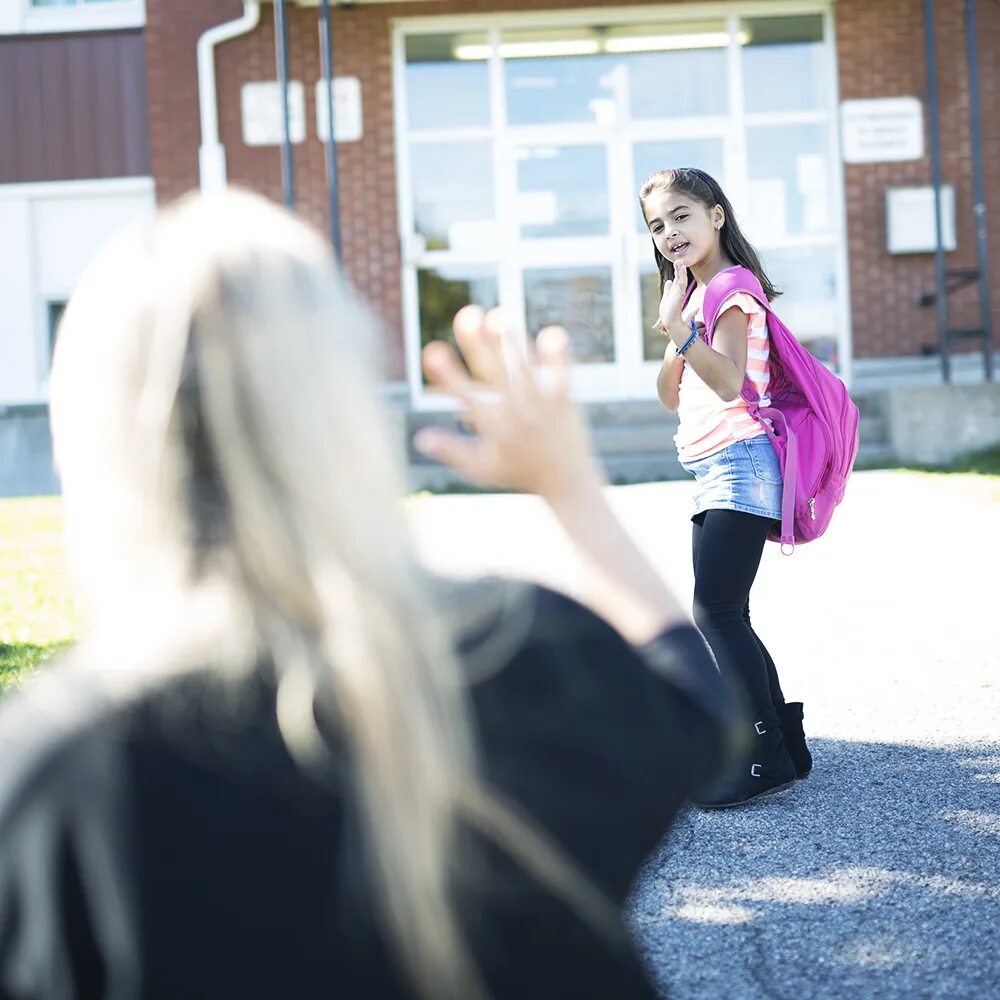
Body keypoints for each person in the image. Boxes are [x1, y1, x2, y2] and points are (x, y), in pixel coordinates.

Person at [0, 189, 739, 999]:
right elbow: (701, 712)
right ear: (341, 408)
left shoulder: (50, 771)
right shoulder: (517, 652)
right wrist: (570, 488)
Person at [640, 166, 813, 808]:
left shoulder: (734, 289)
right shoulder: (692, 297)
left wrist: (685, 329)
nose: (669, 232)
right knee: (724, 612)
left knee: (714, 612)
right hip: (712, 467)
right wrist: (674, 325)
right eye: (657, 225)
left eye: (681, 215)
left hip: (742, 462)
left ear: (716, 215)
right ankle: (786, 745)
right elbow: (668, 395)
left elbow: (731, 383)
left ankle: (760, 752)